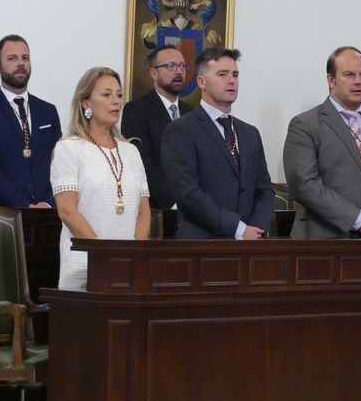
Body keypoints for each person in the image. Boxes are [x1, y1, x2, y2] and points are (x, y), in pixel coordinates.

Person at [283, 46, 361, 239]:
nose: (358, 81)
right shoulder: (305, 124)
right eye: (349, 75)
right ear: (331, 80)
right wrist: (358, 219)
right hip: (323, 240)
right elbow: (304, 185)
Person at [50, 67, 151, 288]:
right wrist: (104, 256)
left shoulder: (131, 151)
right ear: (86, 103)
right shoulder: (69, 148)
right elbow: (67, 211)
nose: (116, 101)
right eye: (106, 95)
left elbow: (144, 211)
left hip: (129, 268)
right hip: (86, 265)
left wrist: (136, 255)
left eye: (119, 95)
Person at [161, 47, 274, 239]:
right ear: (201, 82)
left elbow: (264, 189)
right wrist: (238, 229)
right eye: (222, 74)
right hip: (202, 244)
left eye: (235, 75)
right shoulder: (181, 130)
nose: (231, 80)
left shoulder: (250, 133)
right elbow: (188, 194)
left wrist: (255, 228)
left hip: (249, 243)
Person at [0, 34, 62, 208]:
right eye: (12, 58)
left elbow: (60, 162)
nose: (20, 63)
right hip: (2, 213)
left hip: (47, 211)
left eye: (25, 58)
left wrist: (48, 203)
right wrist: (24, 206)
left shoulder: (48, 111)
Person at [121, 45, 194, 209]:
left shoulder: (192, 112)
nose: (179, 72)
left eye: (183, 66)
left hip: (194, 206)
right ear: (154, 73)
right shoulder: (137, 110)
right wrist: (174, 203)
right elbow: (141, 163)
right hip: (157, 208)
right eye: (171, 66)